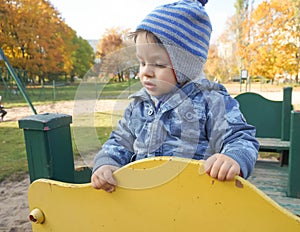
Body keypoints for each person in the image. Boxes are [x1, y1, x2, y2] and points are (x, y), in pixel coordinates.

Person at [91, 0, 259, 192]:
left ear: (186, 67)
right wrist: (107, 163)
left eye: (159, 64)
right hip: (143, 197)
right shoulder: (139, 106)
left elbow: (240, 137)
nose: (145, 72)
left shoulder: (211, 101)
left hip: (193, 198)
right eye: (142, 62)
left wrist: (233, 157)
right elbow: (119, 142)